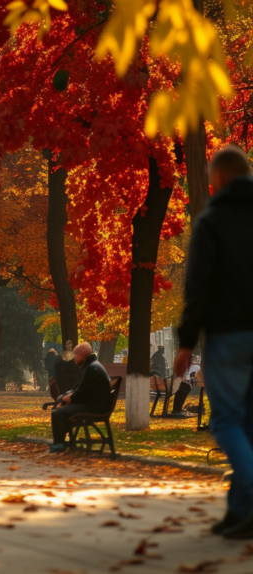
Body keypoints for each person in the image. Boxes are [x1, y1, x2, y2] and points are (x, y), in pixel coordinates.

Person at [174, 144, 253, 538]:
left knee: (225, 422)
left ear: (219, 179)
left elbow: (199, 288)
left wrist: (186, 343)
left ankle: (248, 498)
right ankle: (240, 514)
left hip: (229, 335)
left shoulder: (213, 221)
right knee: (249, 427)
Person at [49, 342, 111, 454]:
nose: (74, 358)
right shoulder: (91, 366)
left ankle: (59, 444)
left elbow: (78, 395)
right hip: (94, 404)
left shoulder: (91, 369)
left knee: (57, 413)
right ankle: (62, 442)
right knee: (60, 403)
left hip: (95, 408)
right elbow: (78, 390)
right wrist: (63, 398)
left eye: (75, 355)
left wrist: (63, 400)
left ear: (82, 355)